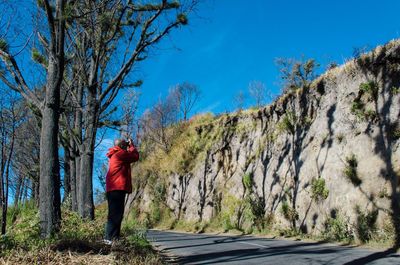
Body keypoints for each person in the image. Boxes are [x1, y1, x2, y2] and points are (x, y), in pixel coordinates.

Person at [104, 138, 139, 244]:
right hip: (117, 187)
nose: (126, 146)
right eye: (124, 145)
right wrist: (131, 145)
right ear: (122, 146)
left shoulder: (116, 154)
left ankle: (114, 238)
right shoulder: (120, 154)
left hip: (113, 188)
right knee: (115, 214)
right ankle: (108, 239)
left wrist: (127, 146)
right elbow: (135, 156)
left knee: (116, 214)